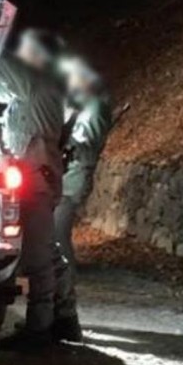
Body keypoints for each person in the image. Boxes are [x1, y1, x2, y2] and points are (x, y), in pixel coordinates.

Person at [0, 28, 68, 351]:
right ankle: (64, 318)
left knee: (39, 255)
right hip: (41, 175)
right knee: (47, 252)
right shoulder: (37, 87)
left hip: (37, 178)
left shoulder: (36, 84)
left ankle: (40, 329)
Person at [53, 52, 113, 338]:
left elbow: (82, 146)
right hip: (64, 179)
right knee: (53, 242)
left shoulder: (94, 106)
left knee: (58, 242)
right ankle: (59, 309)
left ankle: (64, 311)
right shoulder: (81, 103)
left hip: (71, 181)